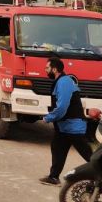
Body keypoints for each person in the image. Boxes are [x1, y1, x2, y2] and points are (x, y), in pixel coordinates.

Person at [40, 57, 93, 186]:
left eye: (47, 68)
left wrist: (48, 118)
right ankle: (53, 177)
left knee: (89, 155)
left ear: (54, 69)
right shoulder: (61, 81)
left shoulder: (64, 82)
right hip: (65, 128)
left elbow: (62, 107)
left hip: (73, 127)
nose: (45, 71)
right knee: (57, 148)